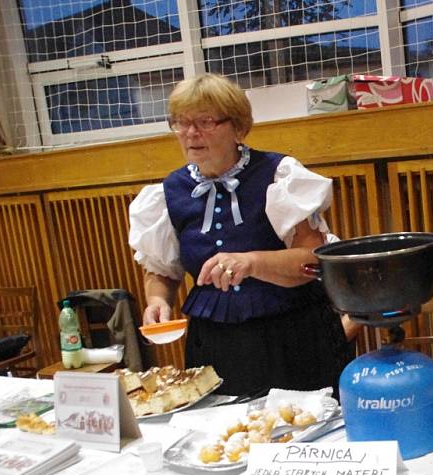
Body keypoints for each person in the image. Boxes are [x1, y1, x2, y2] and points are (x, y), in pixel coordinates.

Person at [128, 73, 354, 397]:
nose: (191, 133)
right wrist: (157, 301)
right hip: (216, 344)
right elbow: (162, 270)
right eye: (180, 122)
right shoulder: (167, 193)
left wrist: (252, 262)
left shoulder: (278, 174)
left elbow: (312, 259)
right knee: (227, 437)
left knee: (302, 433)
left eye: (205, 121)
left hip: (293, 336)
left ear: (237, 126)